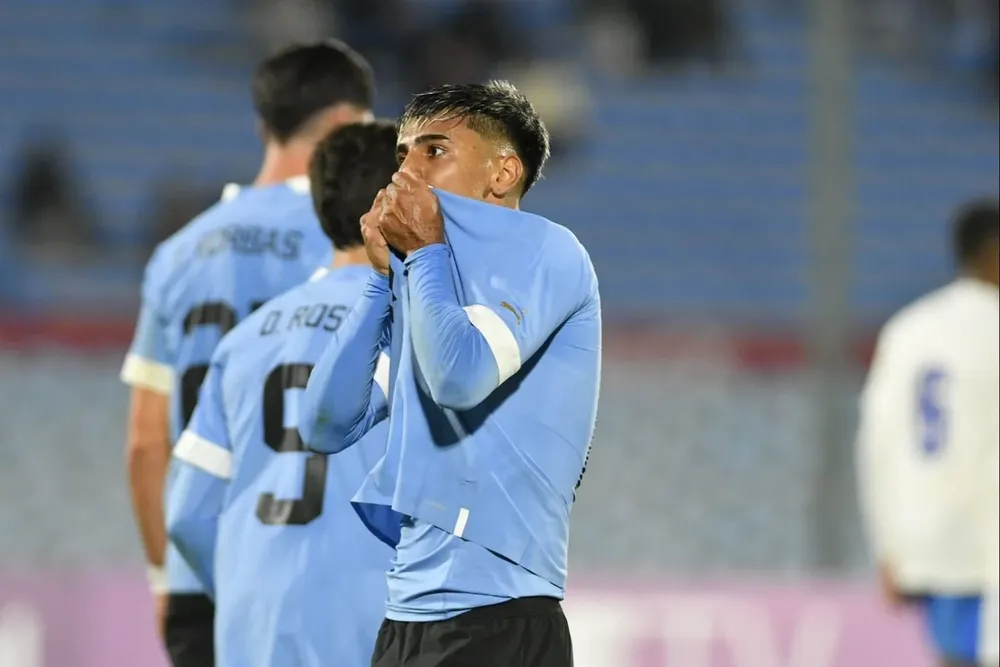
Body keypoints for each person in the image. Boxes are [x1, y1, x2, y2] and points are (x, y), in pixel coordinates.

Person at [299, 81, 601, 667]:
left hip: (499, 617)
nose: (405, 172)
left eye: (434, 151)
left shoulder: (548, 251)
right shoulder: (426, 281)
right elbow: (324, 424)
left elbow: (459, 379)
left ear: (503, 173)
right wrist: (380, 281)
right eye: (402, 154)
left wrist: (424, 255)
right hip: (406, 619)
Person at [119, 40, 375, 667]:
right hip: (310, 569)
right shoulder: (344, 233)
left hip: (204, 561)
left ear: (264, 126)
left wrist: (166, 577)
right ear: (347, 124)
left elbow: (147, 441)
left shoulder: (178, 254)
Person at [165, 121, 398, 667]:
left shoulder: (244, 340)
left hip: (256, 631)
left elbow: (186, 514)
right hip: (371, 627)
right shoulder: (410, 332)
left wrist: (246, 589)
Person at [856, 199, 999, 667]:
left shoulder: (908, 329)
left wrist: (886, 544)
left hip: (933, 537)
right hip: (985, 537)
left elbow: (877, 444)